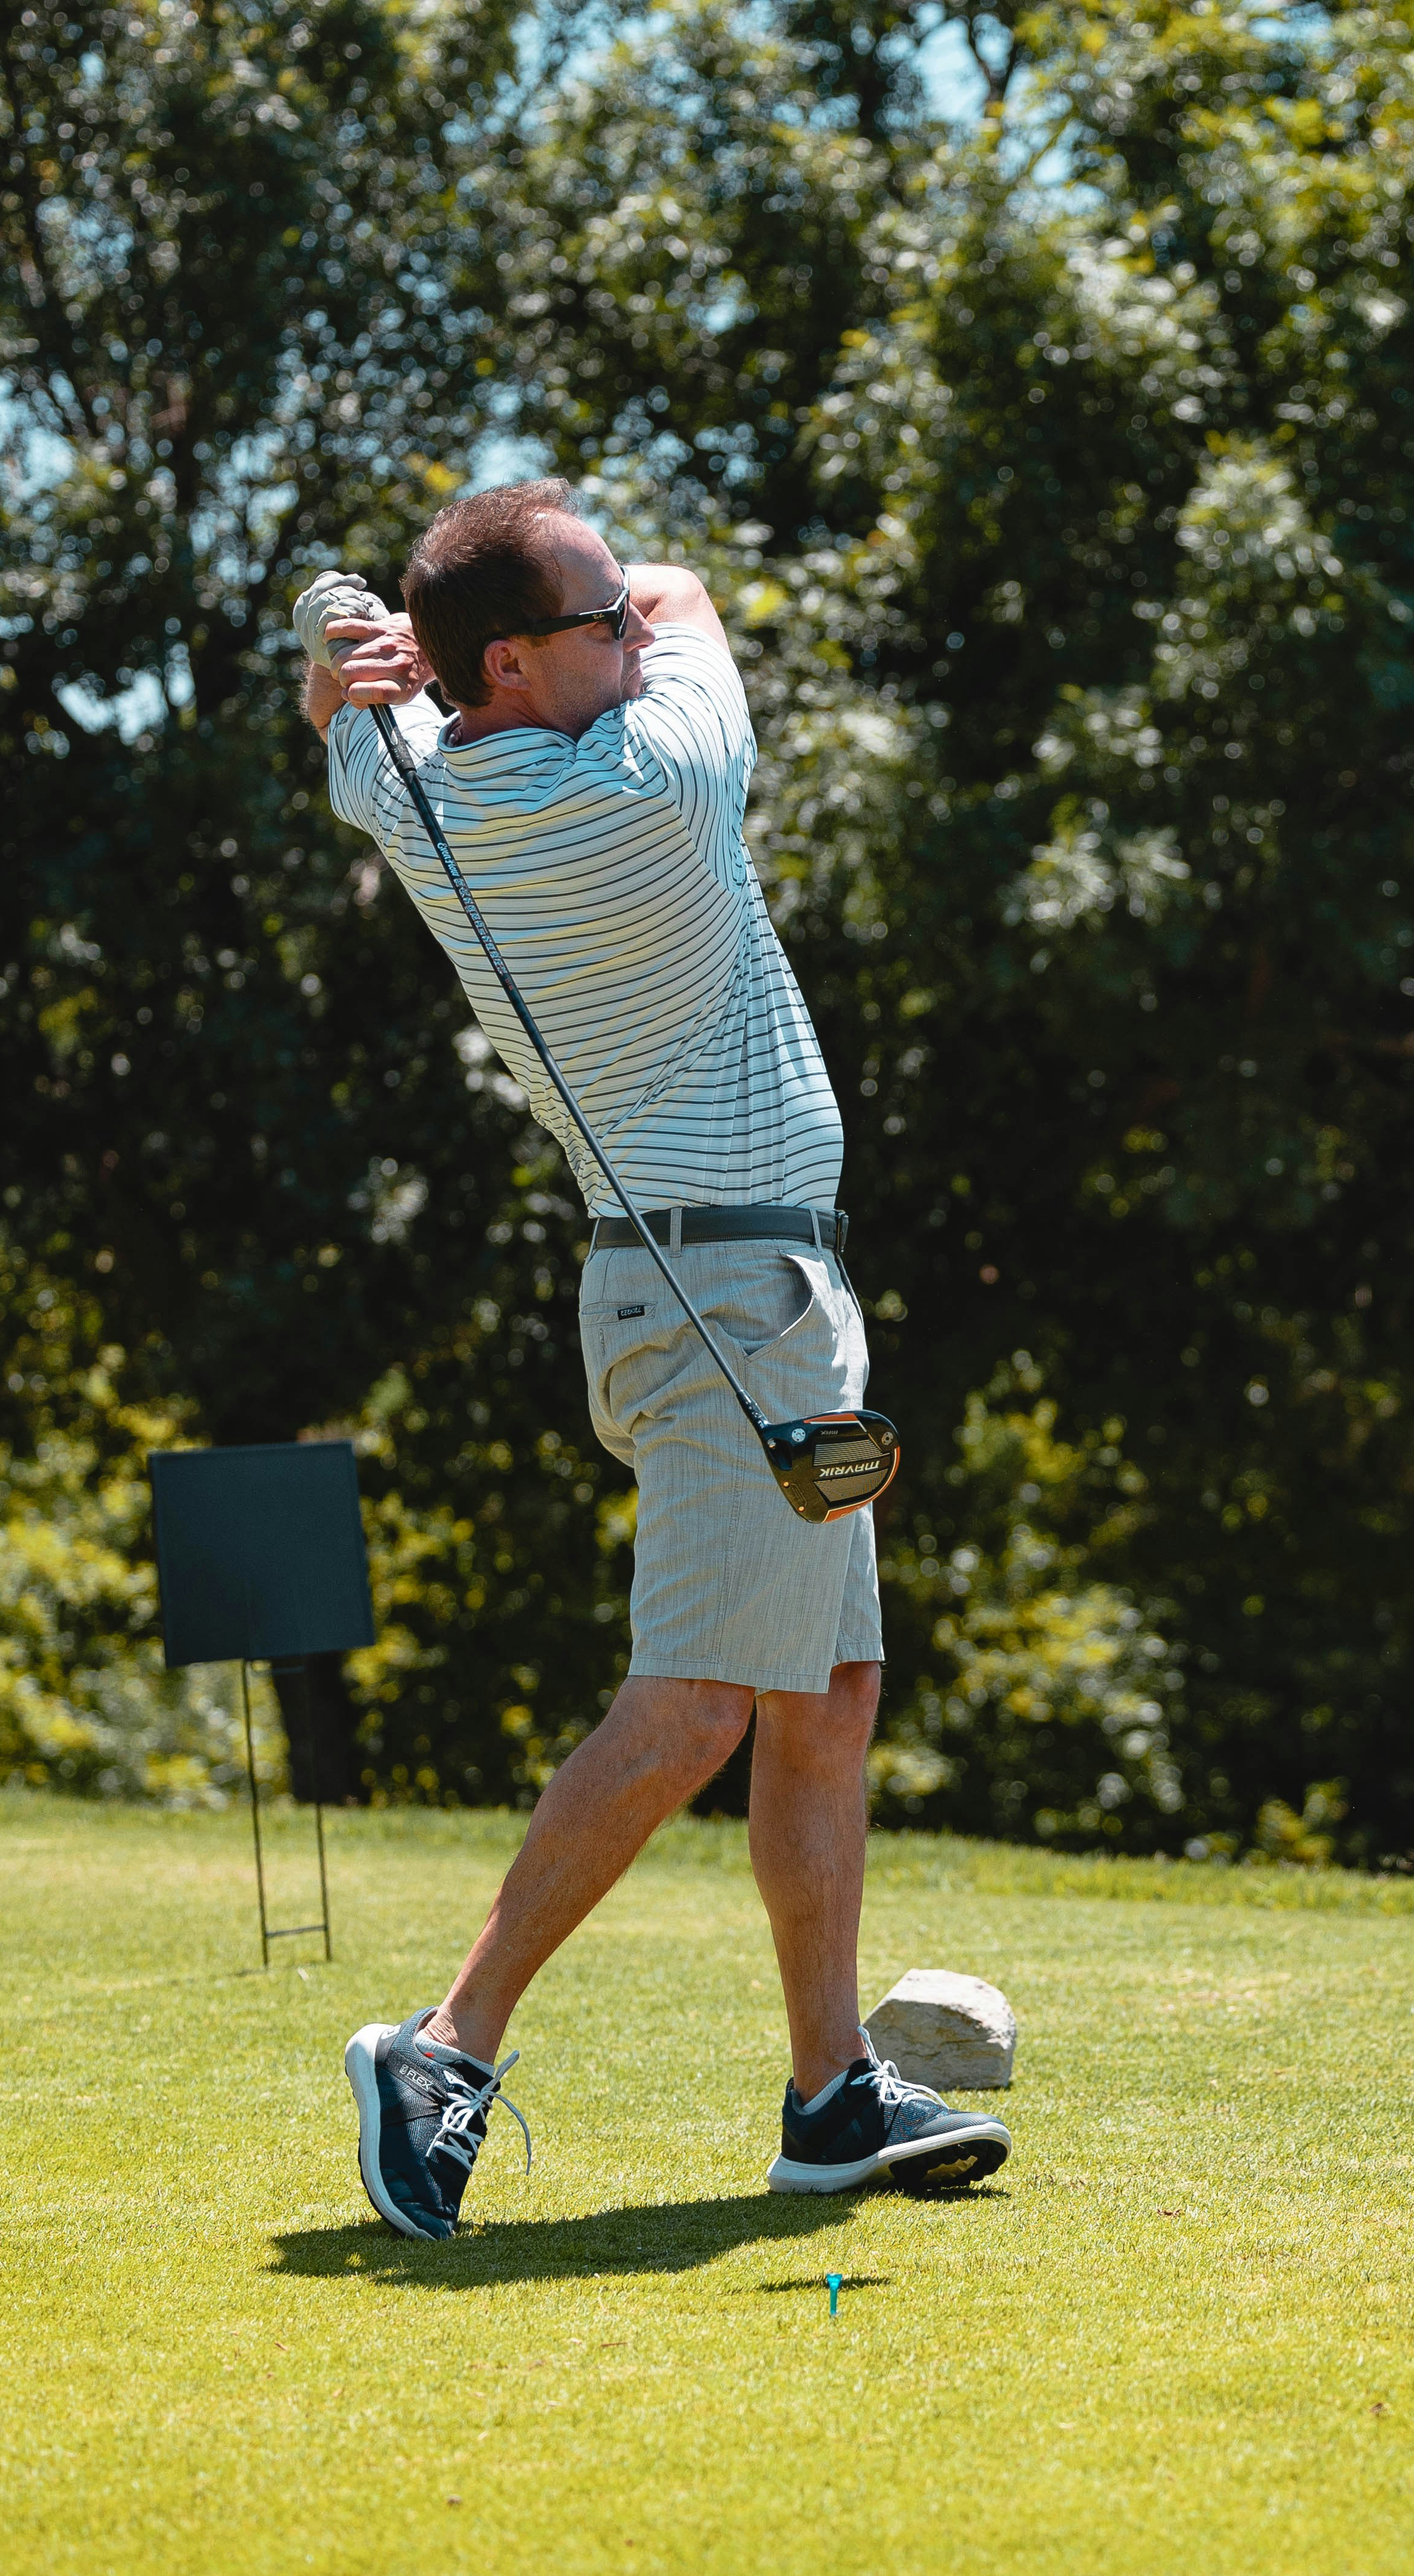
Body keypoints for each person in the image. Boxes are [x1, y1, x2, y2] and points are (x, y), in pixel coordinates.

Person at [292, 479, 1006, 2237]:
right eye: (596, 630)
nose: (637, 637)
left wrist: (332, 634)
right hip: (730, 1306)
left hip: (712, 1292)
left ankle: (832, 2094)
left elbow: (344, 718)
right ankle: (447, 2042)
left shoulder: (423, 790)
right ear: (521, 664)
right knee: (699, 1697)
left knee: (823, 1694)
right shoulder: (654, 781)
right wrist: (377, 636)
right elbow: (684, 591)